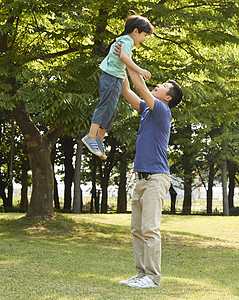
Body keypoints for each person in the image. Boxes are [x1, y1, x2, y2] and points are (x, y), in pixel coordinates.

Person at [114, 43, 183, 288]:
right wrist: (119, 63)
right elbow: (127, 90)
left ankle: (153, 278)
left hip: (156, 178)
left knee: (150, 229)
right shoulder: (146, 109)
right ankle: (141, 274)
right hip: (141, 178)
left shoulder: (162, 110)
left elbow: (140, 86)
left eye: (162, 86)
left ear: (168, 97)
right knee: (137, 230)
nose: (157, 85)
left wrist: (129, 59)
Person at [82, 15, 154, 160]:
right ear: (135, 31)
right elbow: (124, 58)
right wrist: (140, 70)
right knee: (105, 105)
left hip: (117, 78)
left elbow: (122, 60)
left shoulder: (125, 41)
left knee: (112, 109)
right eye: (144, 35)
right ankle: (90, 136)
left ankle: (99, 140)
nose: (144, 39)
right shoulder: (127, 40)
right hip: (110, 78)